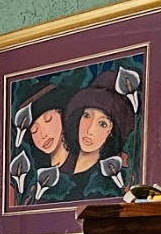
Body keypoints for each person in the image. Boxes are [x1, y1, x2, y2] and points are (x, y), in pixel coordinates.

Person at [33, 69, 139, 203]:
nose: (89, 130)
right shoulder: (52, 179)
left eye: (102, 124)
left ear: (111, 132)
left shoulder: (111, 182)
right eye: (87, 116)